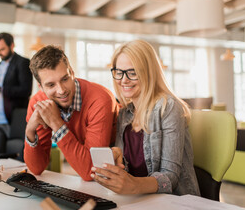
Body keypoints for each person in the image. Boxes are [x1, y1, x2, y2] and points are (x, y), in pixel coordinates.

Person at [91, 40, 200, 196]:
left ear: (149, 73)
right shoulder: (124, 114)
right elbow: (129, 170)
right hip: (141, 199)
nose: (123, 80)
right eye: (119, 72)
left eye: (132, 72)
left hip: (175, 201)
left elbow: (170, 177)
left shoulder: (168, 107)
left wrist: (134, 185)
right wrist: (117, 158)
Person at [24, 45, 119, 181]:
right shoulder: (38, 103)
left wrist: (56, 123)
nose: (61, 90)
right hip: (91, 173)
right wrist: (29, 132)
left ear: (72, 73)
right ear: (41, 87)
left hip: (120, 169)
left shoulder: (100, 99)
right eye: (51, 85)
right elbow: (36, 168)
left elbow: (90, 171)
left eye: (65, 79)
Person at [0, 32, 33, 154]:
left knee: (17, 155)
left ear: (12, 45)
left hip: (13, 117)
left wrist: (1, 89)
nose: (0, 53)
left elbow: (26, 90)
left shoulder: (22, 63)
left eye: (2, 49)